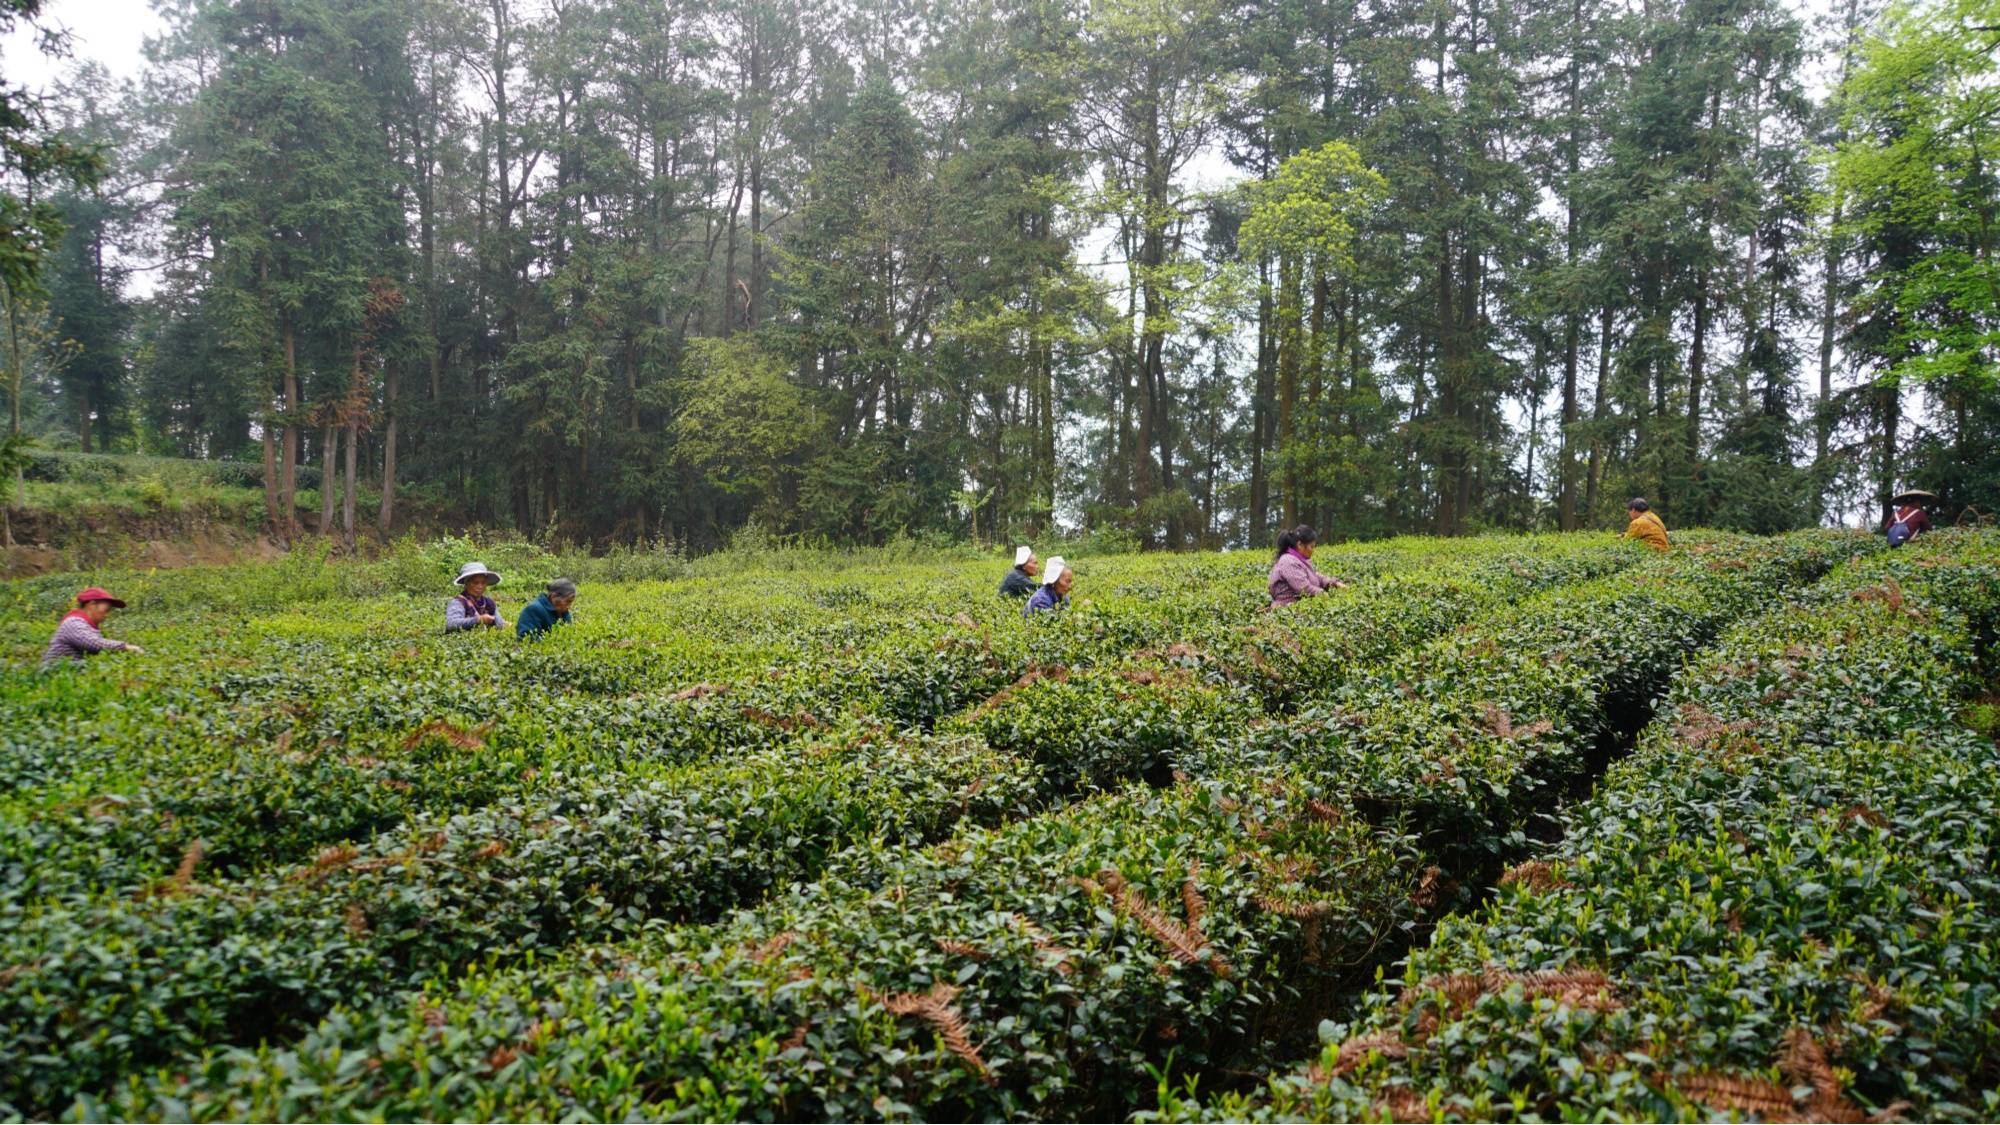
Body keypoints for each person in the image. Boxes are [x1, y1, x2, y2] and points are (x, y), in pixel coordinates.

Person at [42, 587, 145, 670]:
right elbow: (91, 643)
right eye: (106, 610)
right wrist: (125, 647)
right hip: (54, 672)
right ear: (91, 605)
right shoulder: (73, 622)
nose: (107, 615)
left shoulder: (86, 625)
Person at [1268, 525, 1350, 607]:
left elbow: (1315, 576)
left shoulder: (1298, 560)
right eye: (1311, 546)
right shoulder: (1288, 561)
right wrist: (1328, 597)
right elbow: (1304, 588)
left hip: (1301, 607)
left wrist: (1335, 583)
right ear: (1300, 544)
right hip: (1288, 609)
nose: (1313, 550)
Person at [446, 561, 506, 632]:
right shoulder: (458, 602)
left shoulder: (490, 603)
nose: (480, 586)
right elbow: (451, 624)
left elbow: (499, 622)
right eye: (475, 583)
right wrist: (478, 620)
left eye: (483, 583)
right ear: (466, 583)